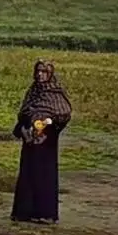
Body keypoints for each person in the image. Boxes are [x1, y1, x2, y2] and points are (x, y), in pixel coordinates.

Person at [11, 60, 71, 224]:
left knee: (45, 176)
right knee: (27, 176)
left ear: (50, 74)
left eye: (44, 72)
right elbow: (24, 111)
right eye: (38, 71)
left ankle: (45, 214)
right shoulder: (33, 91)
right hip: (30, 141)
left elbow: (63, 113)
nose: (40, 75)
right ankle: (24, 212)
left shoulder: (55, 92)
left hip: (47, 144)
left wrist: (47, 123)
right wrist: (25, 125)